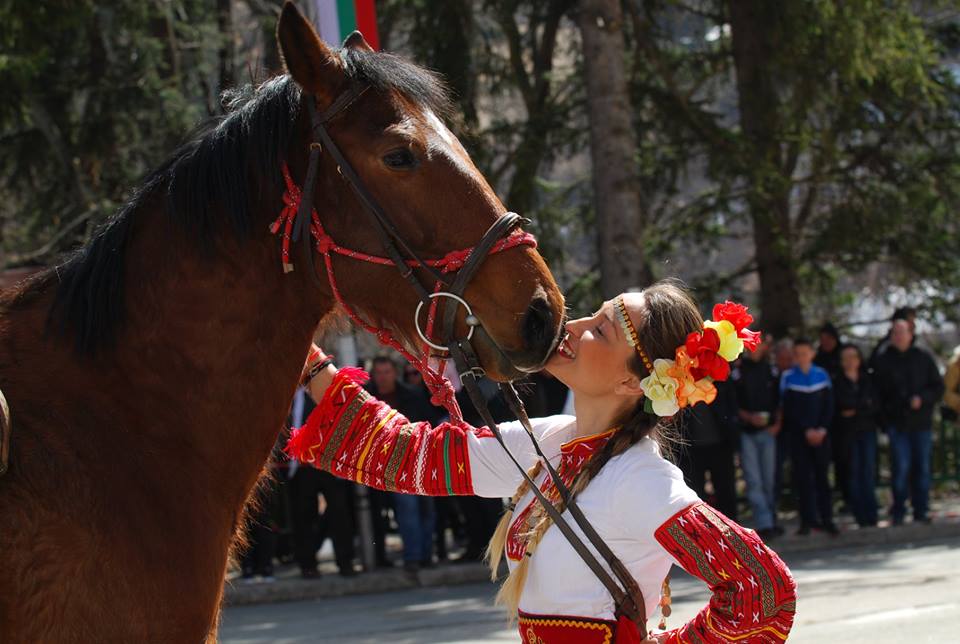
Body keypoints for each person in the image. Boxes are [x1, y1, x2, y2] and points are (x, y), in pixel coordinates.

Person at [289, 282, 796, 642]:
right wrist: (299, 354)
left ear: (631, 382)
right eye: (591, 314)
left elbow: (763, 591)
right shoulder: (551, 439)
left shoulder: (639, 479)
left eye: (601, 330)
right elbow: (412, 456)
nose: (572, 327)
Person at [366, 356, 438, 571]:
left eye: (386, 372)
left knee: (426, 510)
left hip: (417, 459)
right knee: (407, 510)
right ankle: (413, 556)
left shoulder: (412, 395)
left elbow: (429, 423)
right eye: (378, 372)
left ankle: (426, 554)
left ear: (394, 373)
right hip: (386, 464)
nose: (383, 377)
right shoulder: (368, 398)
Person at [872, 320, 944, 525]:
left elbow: (937, 387)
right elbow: (877, 394)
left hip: (921, 424)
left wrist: (923, 398)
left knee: (922, 468)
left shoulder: (923, 357)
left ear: (910, 334)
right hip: (897, 425)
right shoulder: (883, 360)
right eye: (895, 333)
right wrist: (885, 421)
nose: (899, 336)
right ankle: (899, 511)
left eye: (902, 332)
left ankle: (921, 510)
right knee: (900, 469)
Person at [286, 387, 357, 578]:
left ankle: (345, 561)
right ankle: (307, 564)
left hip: (331, 465)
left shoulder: (332, 392)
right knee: (303, 515)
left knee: (339, 513)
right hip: (302, 467)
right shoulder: (293, 396)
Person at [779, 338, 837, 536]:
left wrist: (821, 429)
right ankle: (807, 521)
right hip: (799, 437)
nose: (801, 357)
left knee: (823, 478)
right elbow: (788, 410)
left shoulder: (822, 375)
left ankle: (827, 519)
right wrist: (805, 430)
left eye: (805, 353)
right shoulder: (788, 377)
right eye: (798, 354)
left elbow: (829, 406)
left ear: (812, 354)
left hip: (821, 436)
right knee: (803, 480)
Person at [734, 333, 783, 539]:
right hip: (747, 432)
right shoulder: (738, 371)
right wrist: (748, 417)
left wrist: (777, 424)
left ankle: (771, 519)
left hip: (768, 431)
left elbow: (781, 400)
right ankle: (763, 523)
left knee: (769, 478)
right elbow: (733, 403)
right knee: (754, 479)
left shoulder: (772, 370)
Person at [832, 345, 881, 527]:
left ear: (859, 359)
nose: (850, 361)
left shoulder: (867, 380)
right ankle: (860, 515)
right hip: (848, 434)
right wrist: (862, 406)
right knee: (854, 472)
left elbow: (874, 404)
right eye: (846, 357)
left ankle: (872, 513)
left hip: (867, 430)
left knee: (868, 472)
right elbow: (841, 407)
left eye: (854, 356)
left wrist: (856, 409)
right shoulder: (838, 381)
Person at [676, 378, 739, 521]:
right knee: (695, 495)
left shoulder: (718, 378)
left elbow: (732, 406)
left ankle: (731, 531)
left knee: (726, 491)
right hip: (690, 450)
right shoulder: (680, 379)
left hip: (721, 444)